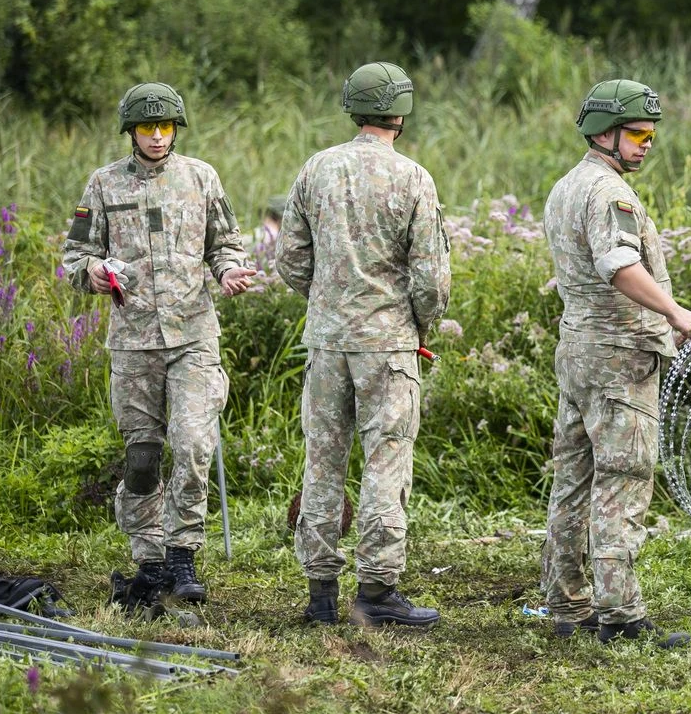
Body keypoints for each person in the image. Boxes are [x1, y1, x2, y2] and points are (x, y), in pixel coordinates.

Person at [61, 83, 257, 611]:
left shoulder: (201, 178)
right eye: (147, 127)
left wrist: (232, 270)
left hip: (193, 336)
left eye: (165, 127)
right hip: (133, 342)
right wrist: (93, 272)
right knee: (143, 459)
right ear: (131, 131)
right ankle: (148, 558)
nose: (156, 136)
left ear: (176, 129)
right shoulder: (103, 184)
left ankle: (182, 553)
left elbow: (225, 243)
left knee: (193, 445)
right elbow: (74, 255)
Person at [276, 62, 451, 629]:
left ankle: (321, 593)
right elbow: (431, 279)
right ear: (400, 113)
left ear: (353, 108)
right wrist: (420, 325)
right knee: (385, 462)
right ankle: (376, 590)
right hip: (388, 343)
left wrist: (328, 301)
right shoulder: (413, 179)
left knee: (322, 461)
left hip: (327, 342)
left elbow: (290, 261)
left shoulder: (316, 170)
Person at [542, 79, 691, 649]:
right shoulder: (610, 195)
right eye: (637, 133)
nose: (647, 143)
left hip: (579, 349)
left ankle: (567, 600)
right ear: (604, 132)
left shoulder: (566, 187)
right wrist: (674, 310)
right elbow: (619, 266)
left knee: (574, 477)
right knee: (623, 481)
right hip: (618, 355)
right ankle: (621, 615)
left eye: (651, 133)